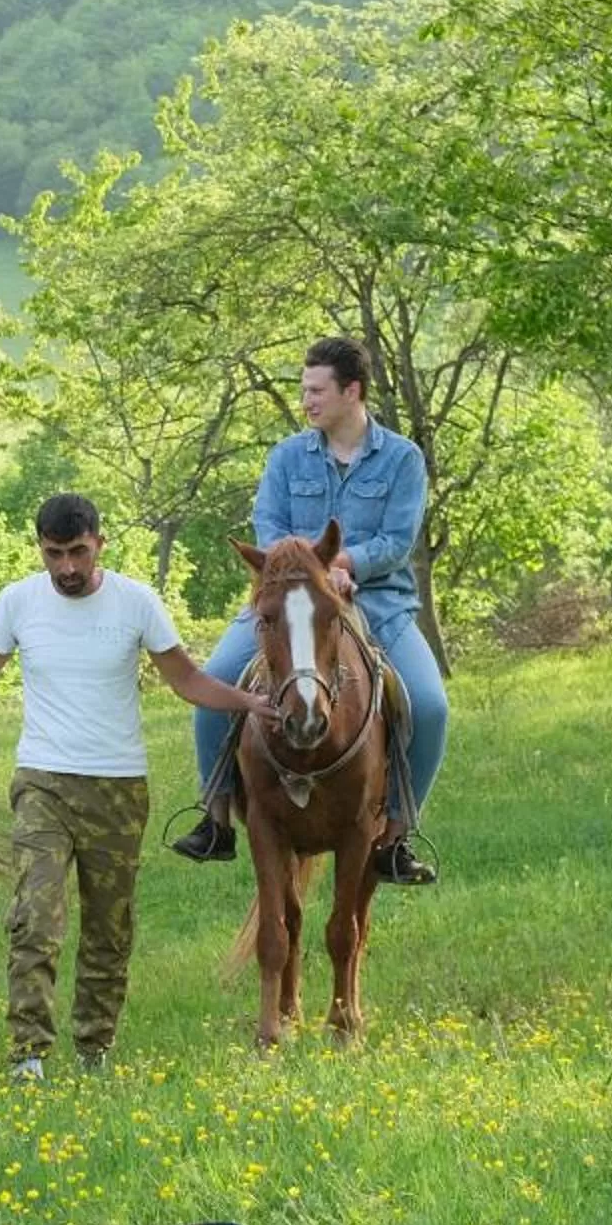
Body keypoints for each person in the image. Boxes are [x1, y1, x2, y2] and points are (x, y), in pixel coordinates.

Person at [0, 495, 275, 1077]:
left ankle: (95, 1048)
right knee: (35, 918)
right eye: (55, 554)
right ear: (40, 550)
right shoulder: (18, 602)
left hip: (118, 787)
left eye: (77, 552)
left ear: (100, 542)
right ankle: (29, 1056)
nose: (67, 567)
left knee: (109, 924)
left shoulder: (137, 603)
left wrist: (249, 702)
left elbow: (190, 681)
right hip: (42, 782)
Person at [171, 336, 447, 885]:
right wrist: (308, 571)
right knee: (217, 682)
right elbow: (269, 529)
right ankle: (218, 815)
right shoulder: (287, 457)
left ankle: (394, 835)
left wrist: (345, 563)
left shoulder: (402, 459)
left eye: (317, 391)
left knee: (431, 706)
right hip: (289, 602)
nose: (307, 402)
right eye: (303, 391)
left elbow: (397, 540)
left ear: (353, 391)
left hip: (379, 604)